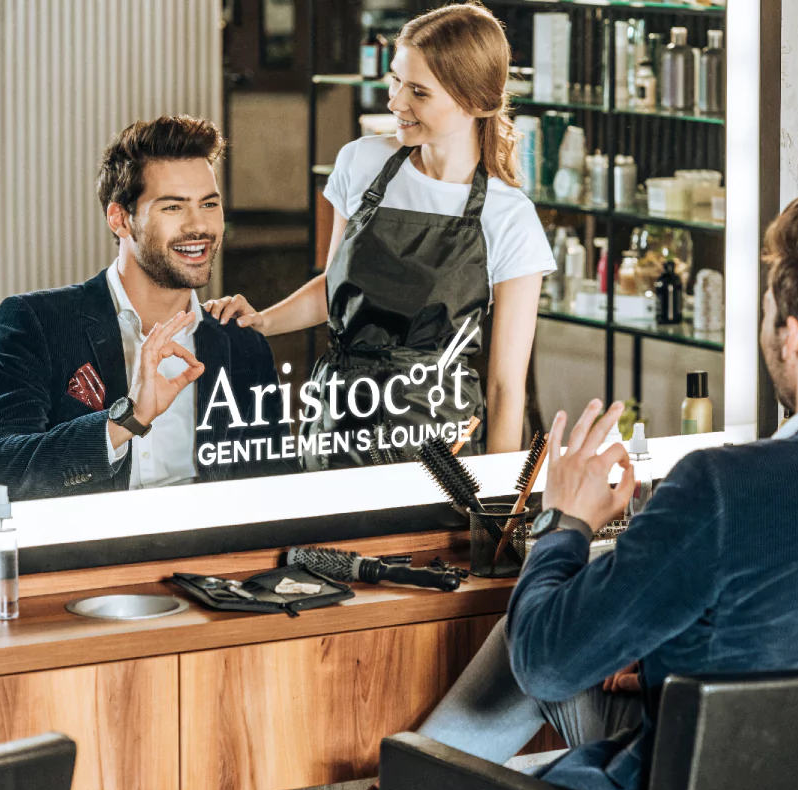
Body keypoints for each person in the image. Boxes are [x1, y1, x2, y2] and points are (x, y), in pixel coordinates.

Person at [357, 196, 798, 790]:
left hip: (701, 781)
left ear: (794, 340)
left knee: (527, 633)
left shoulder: (723, 488)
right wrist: (663, 655)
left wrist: (567, 522)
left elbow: (547, 663)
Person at [205, 2, 555, 470]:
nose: (395, 102)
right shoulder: (361, 163)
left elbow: (506, 387)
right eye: (395, 80)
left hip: (437, 450)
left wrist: (492, 514)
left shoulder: (509, 217)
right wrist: (263, 322)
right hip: (336, 424)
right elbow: (335, 286)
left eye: (418, 91)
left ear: (473, 101)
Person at [0, 115, 291, 501]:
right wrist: (126, 418)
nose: (199, 225)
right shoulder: (35, 322)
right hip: (91, 555)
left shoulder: (240, 341)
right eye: (173, 207)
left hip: (213, 556)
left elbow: (275, 489)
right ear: (121, 219)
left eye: (208, 204)